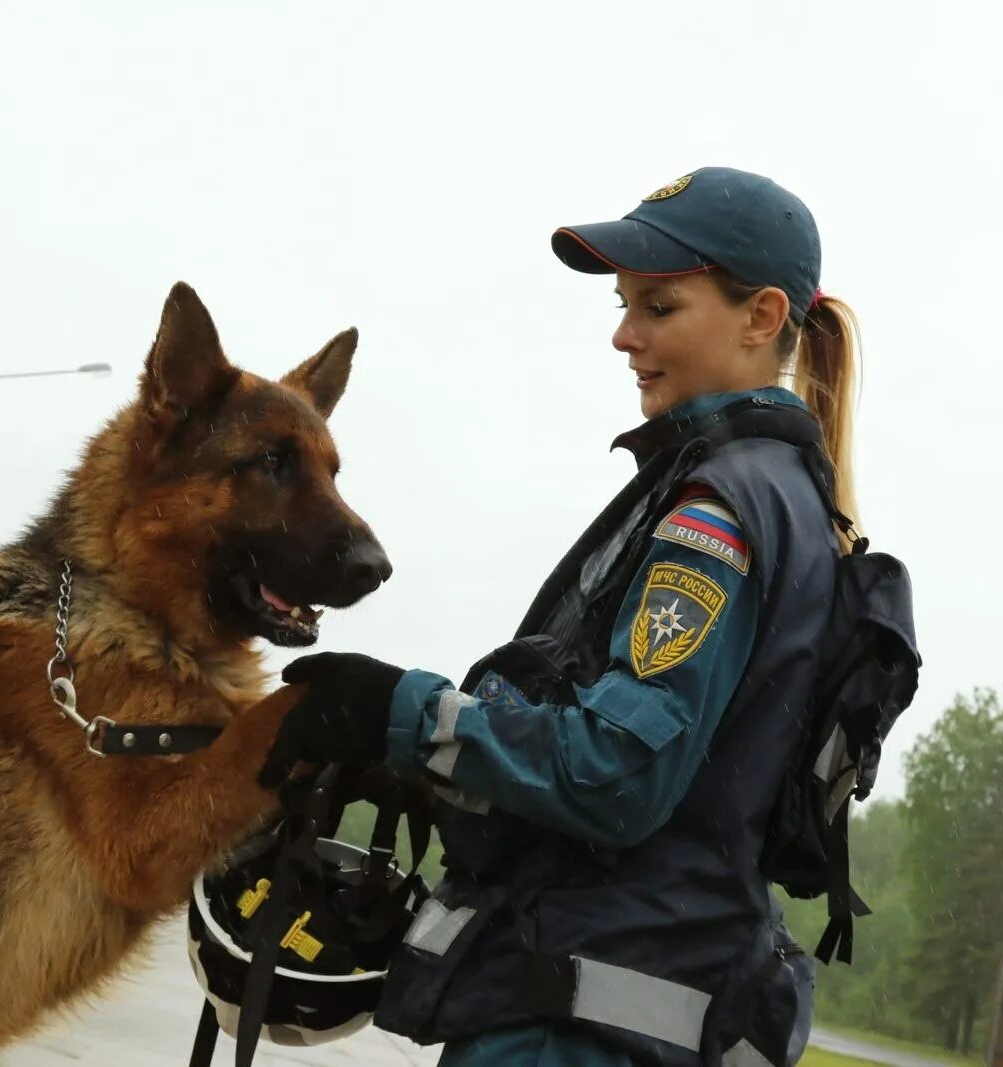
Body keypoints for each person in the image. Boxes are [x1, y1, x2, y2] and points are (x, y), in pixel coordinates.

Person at [258, 166, 862, 1066]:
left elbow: (616, 774)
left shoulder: (718, 507)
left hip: (575, 1028)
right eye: (623, 305)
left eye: (659, 307)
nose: (624, 335)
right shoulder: (773, 494)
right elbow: (685, 791)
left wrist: (399, 712)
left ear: (762, 317)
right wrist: (428, 773)